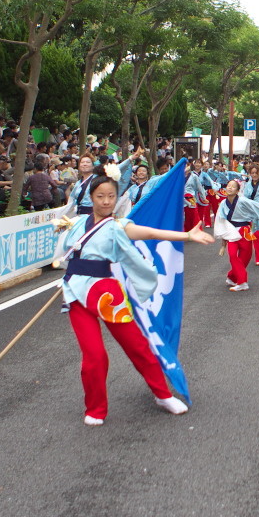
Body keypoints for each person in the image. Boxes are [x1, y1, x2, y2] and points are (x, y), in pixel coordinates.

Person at [55, 173, 214, 426]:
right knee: (94, 356)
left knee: (137, 346)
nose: (106, 202)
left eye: (111, 196)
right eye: (100, 196)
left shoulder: (119, 226)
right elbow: (64, 251)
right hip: (75, 293)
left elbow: (150, 233)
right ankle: (95, 408)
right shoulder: (76, 223)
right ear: (91, 197)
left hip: (107, 294)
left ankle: (162, 394)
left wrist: (186, 236)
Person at [213, 178, 259, 292]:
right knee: (233, 255)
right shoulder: (223, 203)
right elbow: (222, 222)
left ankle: (232, 277)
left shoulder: (243, 201)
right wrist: (223, 243)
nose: (230, 188)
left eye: (233, 186)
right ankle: (242, 282)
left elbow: (258, 208)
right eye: (228, 185)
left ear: (238, 190)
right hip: (231, 231)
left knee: (245, 258)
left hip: (244, 230)